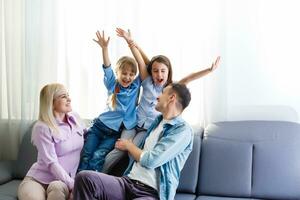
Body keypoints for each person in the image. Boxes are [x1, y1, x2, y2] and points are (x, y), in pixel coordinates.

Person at [101, 28, 220, 173]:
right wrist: (129, 41)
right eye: (156, 71)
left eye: (163, 71)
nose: (159, 74)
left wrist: (209, 70)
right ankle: (99, 173)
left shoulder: (171, 89)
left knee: (133, 152)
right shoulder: (147, 81)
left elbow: (189, 78)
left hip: (147, 129)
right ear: (151, 72)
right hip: (133, 123)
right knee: (119, 148)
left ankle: (126, 180)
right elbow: (140, 60)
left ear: (168, 72)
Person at [73, 82, 193, 200]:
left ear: (172, 98)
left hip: (151, 193)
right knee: (84, 178)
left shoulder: (182, 130)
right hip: (128, 182)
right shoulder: (157, 122)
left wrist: (129, 146)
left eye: (162, 93)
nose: (157, 96)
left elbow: (151, 160)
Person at [77, 30, 145, 172]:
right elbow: (107, 67)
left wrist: (130, 42)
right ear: (118, 72)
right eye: (124, 73)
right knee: (86, 154)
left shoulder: (136, 86)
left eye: (131, 74)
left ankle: (91, 182)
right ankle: (78, 182)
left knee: (98, 156)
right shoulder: (112, 85)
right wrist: (105, 49)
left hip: (114, 133)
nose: (128, 77)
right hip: (99, 127)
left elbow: (142, 64)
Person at [17, 83, 86, 200]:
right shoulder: (42, 127)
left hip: (61, 182)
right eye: (64, 96)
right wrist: (73, 184)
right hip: (37, 181)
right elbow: (51, 163)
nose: (69, 99)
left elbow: (90, 135)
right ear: (52, 102)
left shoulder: (75, 118)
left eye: (68, 95)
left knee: (57, 188)